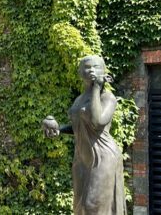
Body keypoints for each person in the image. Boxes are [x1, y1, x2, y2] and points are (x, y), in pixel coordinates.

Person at [42, 55, 125, 215]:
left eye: (96, 67)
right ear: (80, 72)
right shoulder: (79, 100)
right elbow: (78, 127)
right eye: (87, 67)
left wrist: (96, 88)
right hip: (81, 158)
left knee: (93, 206)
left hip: (102, 157)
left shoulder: (108, 98)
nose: (92, 70)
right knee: (80, 208)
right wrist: (59, 130)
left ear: (104, 71)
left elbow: (97, 121)